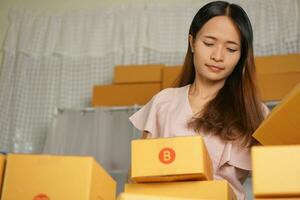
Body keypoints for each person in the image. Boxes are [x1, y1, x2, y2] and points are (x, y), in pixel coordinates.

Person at [129, 1, 269, 199]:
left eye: (231, 49)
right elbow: (137, 175)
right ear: (192, 42)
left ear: (242, 56)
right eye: (209, 43)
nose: (218, 56)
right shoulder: (163, 103)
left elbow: (280, 177)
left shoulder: (255, 112)